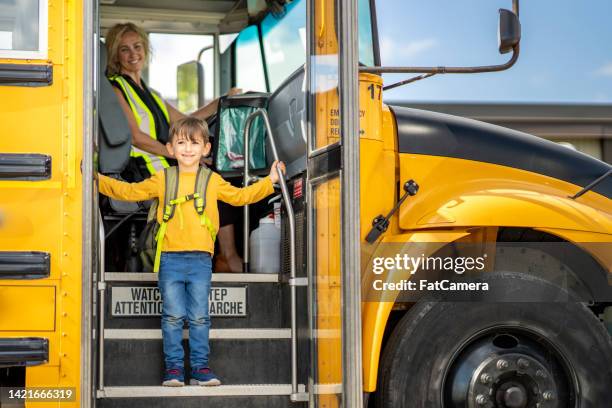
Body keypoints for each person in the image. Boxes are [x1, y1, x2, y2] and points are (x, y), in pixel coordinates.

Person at [98, 117, 285, 386]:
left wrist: (270, 181)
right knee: (173, 316)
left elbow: (240, 197)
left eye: (194, 143)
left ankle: (200, 368)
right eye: (181, 143)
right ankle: (174, 370)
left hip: (200, 260)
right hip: (169, 259)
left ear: (206, 149)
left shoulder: (212, 180)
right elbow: (129, 191)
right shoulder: (162, 178)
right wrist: (98, 180)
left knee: (199, 317)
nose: (187, 148)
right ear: (170, 148)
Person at [105, 22, 244, 272]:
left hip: (165, 167)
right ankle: (226, 258)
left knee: (222, 179)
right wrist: (180, 154)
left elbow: (184, 121)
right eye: (124, 49)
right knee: (210, 185)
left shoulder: (151, 93)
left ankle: (224, 257)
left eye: (137, 46)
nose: (133, 53)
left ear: (146, 50)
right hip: (142, 171)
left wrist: (222, 101)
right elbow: (135, 137)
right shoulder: (117, 88)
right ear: (116, 55)